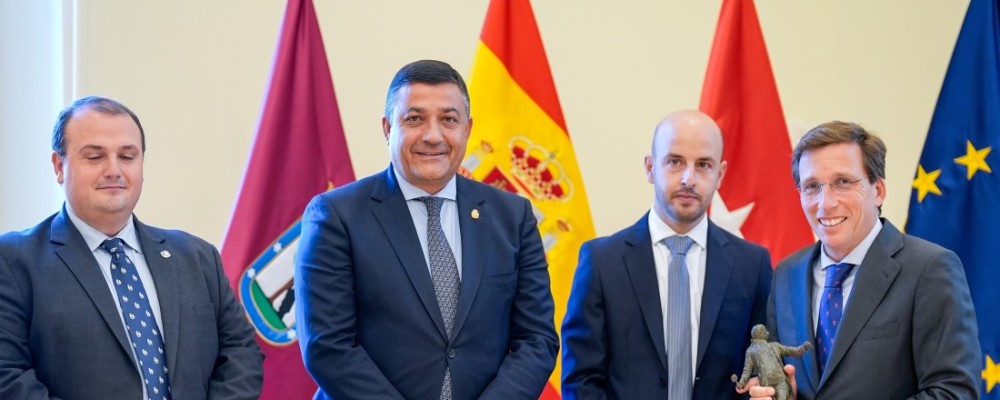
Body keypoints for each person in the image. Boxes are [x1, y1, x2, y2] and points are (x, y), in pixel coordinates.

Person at [295, 59, 558, 399]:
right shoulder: (336, 216)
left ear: (467, 128)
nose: (433, 136)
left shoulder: (513, 216)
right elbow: (327, 346)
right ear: (389, 128)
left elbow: (537, 340)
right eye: (415, 119)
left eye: (448, 119)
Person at [0, 96, 264, 400]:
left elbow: (241, 352)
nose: (114, 170)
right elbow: (8, 379)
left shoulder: (197, 256)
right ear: (60, 166)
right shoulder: (13, 262)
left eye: (127, 156)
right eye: (95, 156)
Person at [747, 121, 980, 400]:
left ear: (878, 190)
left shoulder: (929, 269)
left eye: (843, 182)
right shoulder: (787, 274)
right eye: (811, 186)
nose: (825, 203)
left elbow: (954, 392)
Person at [561, 110, 773, 399]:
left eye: (703, 165)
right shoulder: (602, 262)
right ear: (650, 168)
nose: (689, 178)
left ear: (720, 174)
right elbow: (582, 380)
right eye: (675, 162)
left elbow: (762, 370)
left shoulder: (753, 265)